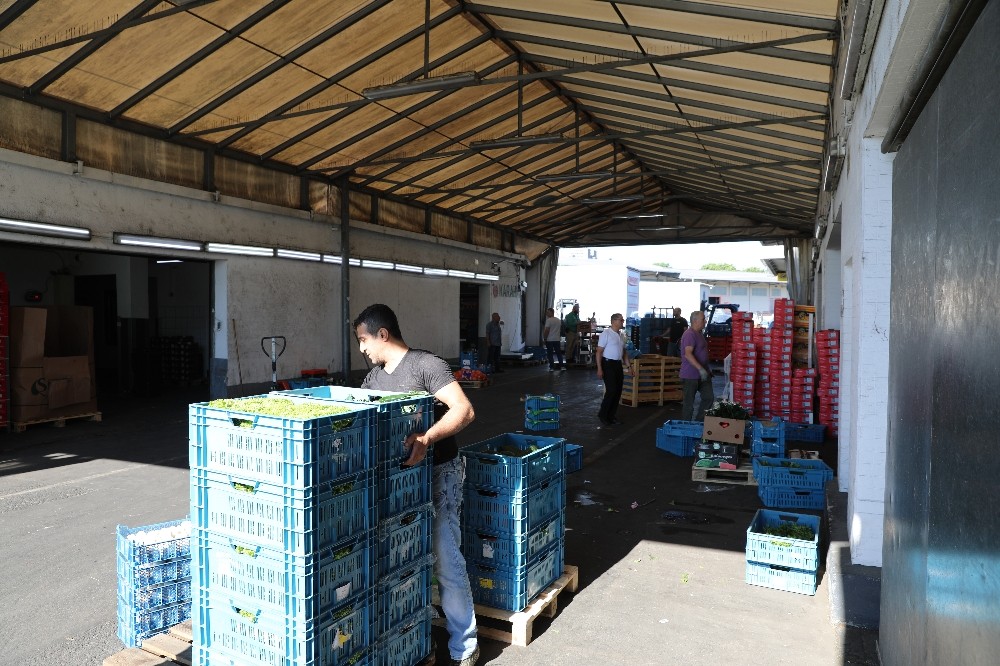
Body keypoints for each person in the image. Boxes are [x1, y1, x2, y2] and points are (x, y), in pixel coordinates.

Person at [353, 304, 480, 666]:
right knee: (404, 560)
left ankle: (465, 645)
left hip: (439, 474)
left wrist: (427, 438)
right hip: (400, 482)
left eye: (363, 339)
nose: (362, 348)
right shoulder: (373, 380)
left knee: (445, 557)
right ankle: (416, 639)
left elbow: (464, 409)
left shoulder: (427, 365)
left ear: (382, 334)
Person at [595, 312, 631, 427]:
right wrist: (599, 368)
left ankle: (611, 416)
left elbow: (624, 353)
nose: (623, 322)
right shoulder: (606, 334)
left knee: (618, 390)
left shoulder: (621, 335)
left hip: (617, 364)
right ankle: (603, 415)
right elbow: (599, 352)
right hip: (608, 364)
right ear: (614, 321)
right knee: (611, 390)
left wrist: (629, 366)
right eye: (621, 320)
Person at [680, 310, 714, 421]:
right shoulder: (690, 334)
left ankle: (699, 422)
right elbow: (688, 354)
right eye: (703, 319)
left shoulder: (699, 334)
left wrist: (707, 370)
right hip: (690, 376)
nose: (705, 321)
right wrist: (701, 369)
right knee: (689, 404)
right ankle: (686, 426)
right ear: (695, 321)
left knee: (708, 398)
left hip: (703, 375)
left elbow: (701, 353)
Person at [542, 307, 565, 371]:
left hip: (550, 340)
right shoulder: (558, 320)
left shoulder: (548, 320)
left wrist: (544, 338)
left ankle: (551, 367)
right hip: (557, 339)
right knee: (558, 353)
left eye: (548, 312)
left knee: (550, 353)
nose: (547, 314)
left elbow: (547, 330)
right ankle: (562, 366)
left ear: (552, 312)